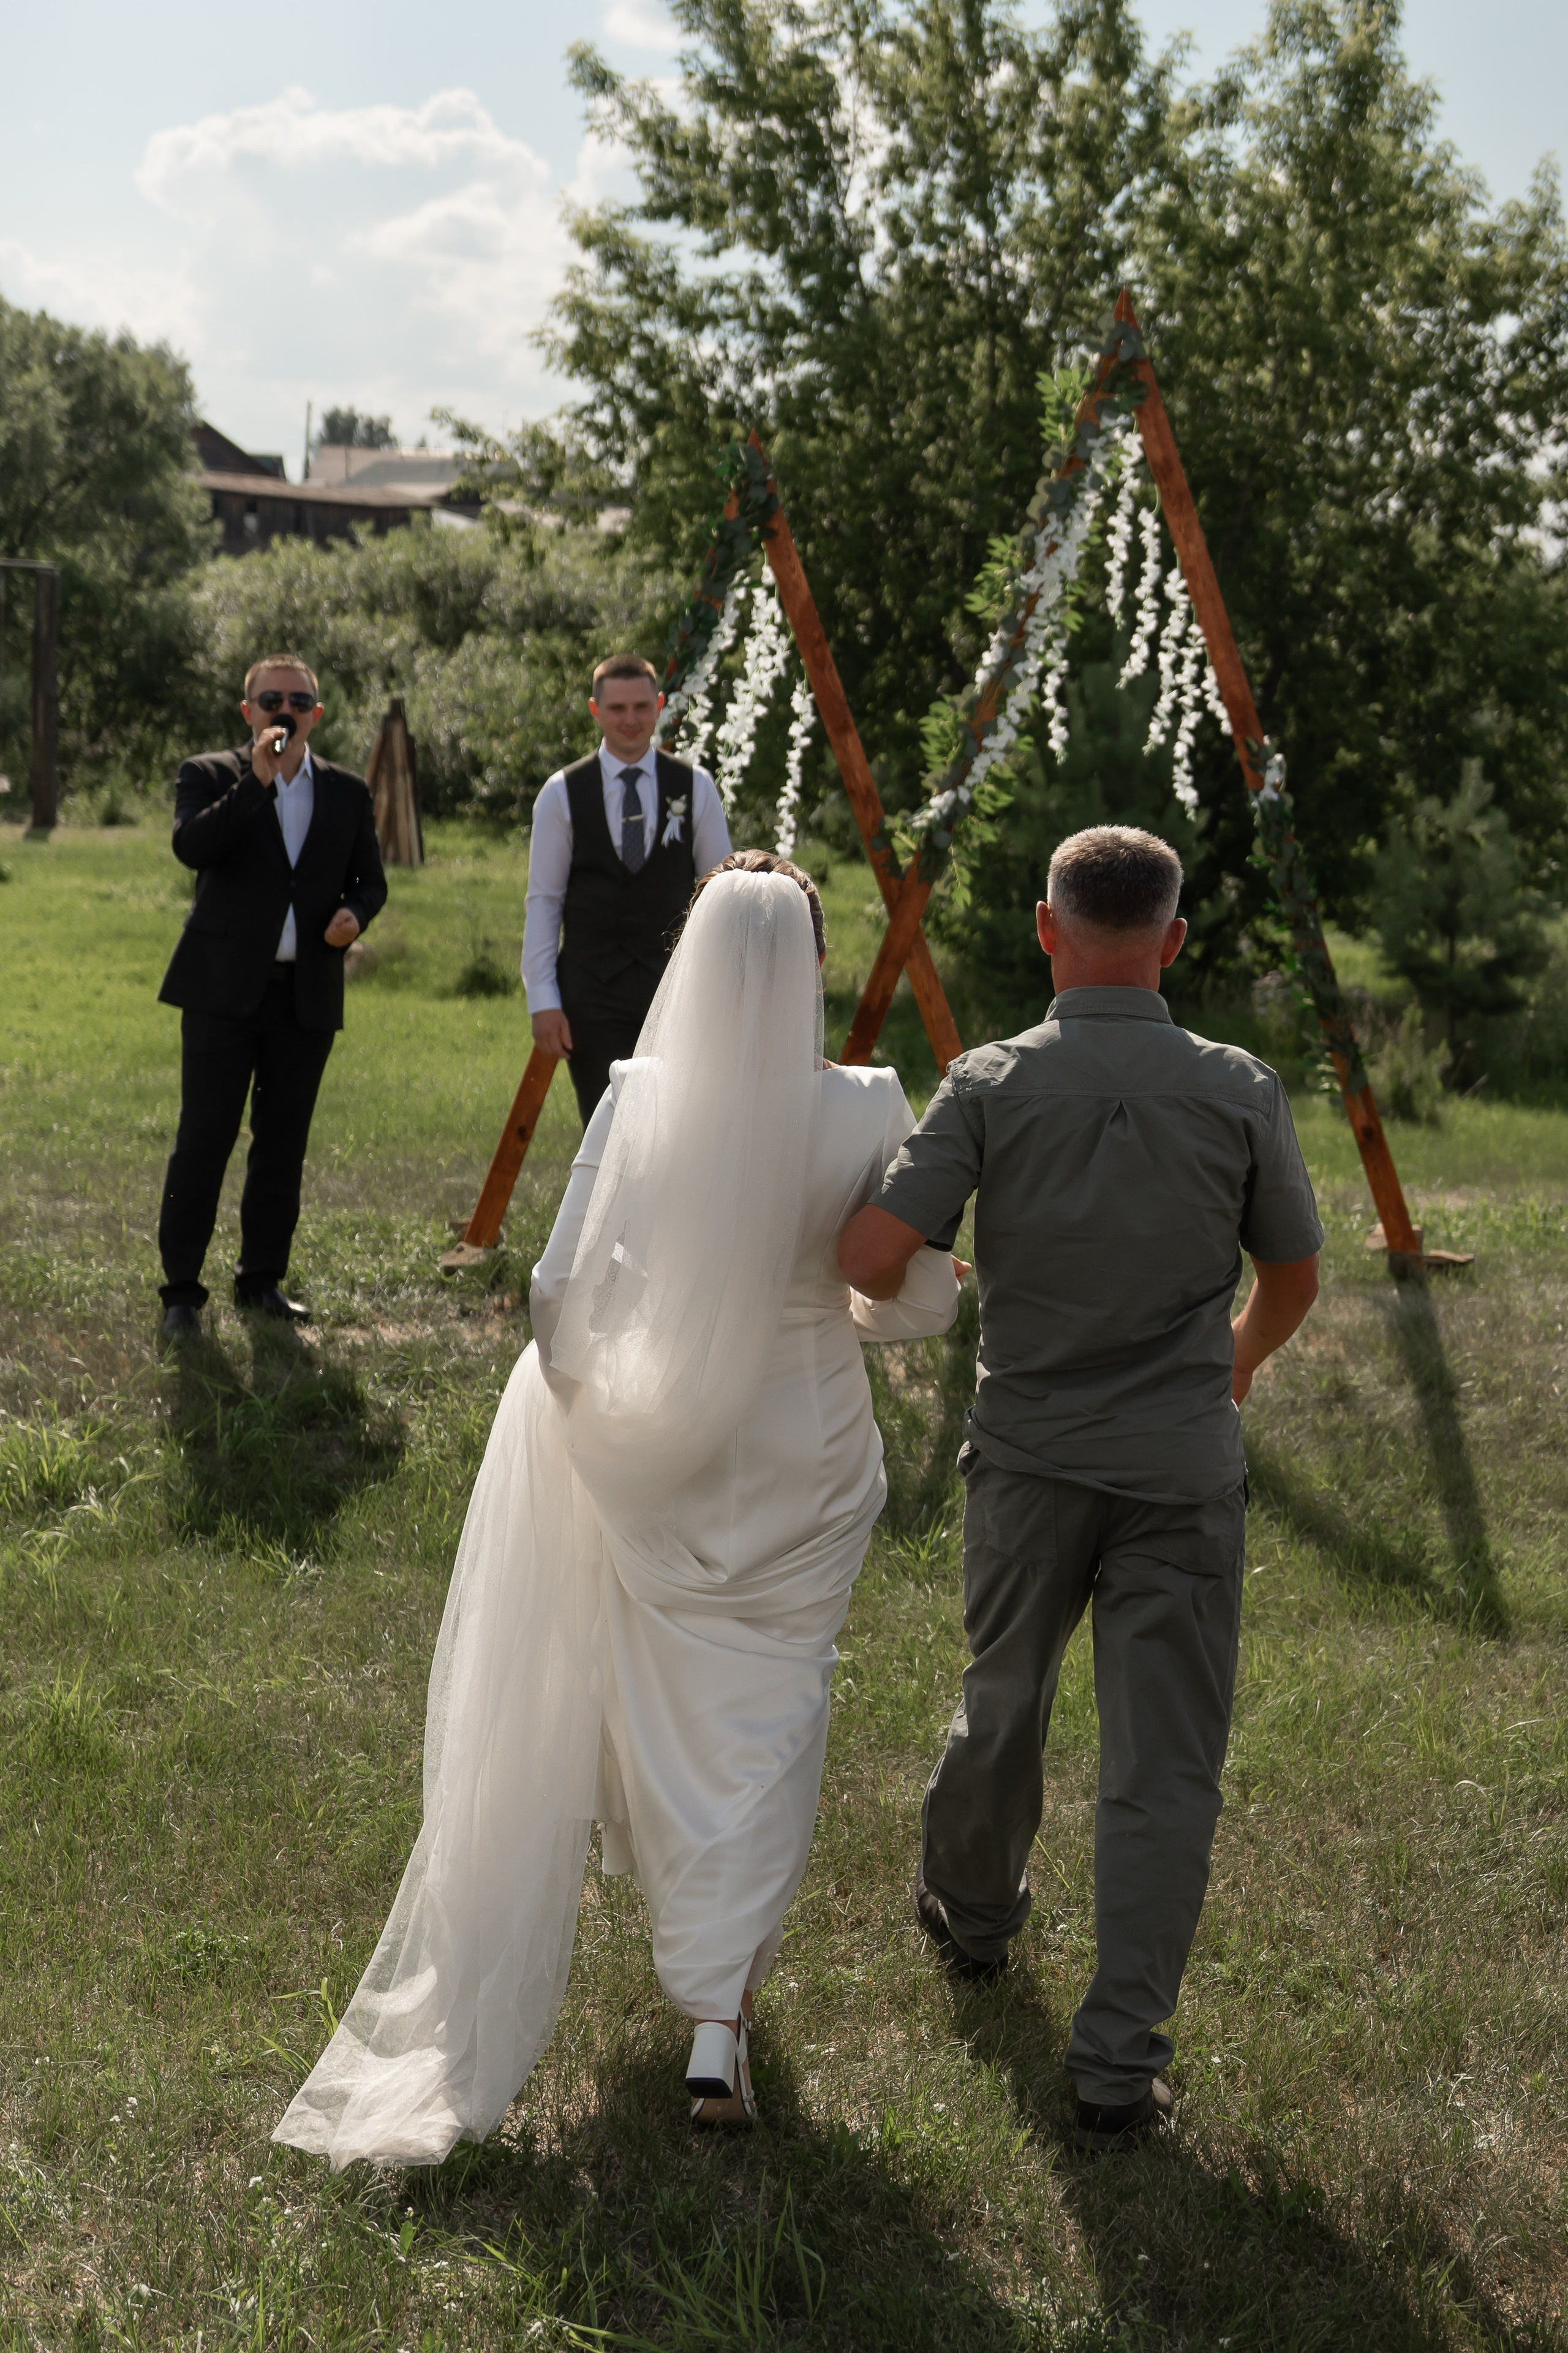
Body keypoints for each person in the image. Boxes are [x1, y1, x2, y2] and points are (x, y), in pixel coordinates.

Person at [274, 852, 960, 2166]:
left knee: (660, 1710)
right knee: (774, 1710)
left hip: (668, 1456)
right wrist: (902, 1293)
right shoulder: (871, 1102)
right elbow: (907, 1301)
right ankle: (717, 2013)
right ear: (814, 962)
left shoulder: (639, 1097)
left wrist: (604, 1416)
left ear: (690, 957)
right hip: (809, 1453)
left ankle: (699, 1968)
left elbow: (557, 1291)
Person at [838, 824, 1323, 2157]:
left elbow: (874, 1256)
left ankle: (972, 1918)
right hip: (1178, 1468)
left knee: (1000, 1699)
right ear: (1172, 942)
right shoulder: (1239, 1087)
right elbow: (1291, 1277)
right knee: (1162, 1770)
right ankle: (1116, 2069)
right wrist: (1229, 1366)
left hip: (1029, 1461)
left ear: (1045, 930)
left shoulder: (989, 1082)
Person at [155, 654, 386, 1342]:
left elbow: (369, 880)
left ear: (318, 713)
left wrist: (356, 915)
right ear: (247, 711)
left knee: (282, 1144)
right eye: (271, 700)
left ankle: (261, 1280)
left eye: (299, 701)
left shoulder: (346, 791)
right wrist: (257, 781)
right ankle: (181, 1292)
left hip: (304, 994)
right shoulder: (208, 775)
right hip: (222, 992)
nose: (284, 711)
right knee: (204, 1139)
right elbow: (192, 848)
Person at [522, 654, 732, 1125]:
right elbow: (544, 901)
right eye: (617, 709)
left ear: (659, 706)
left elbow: (722, 894)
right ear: (596, 711)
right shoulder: (561, 794)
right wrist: (543, 1000)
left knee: (679, 1125)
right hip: (591, 994)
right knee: (606, 1129)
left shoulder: (695, 786)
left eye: (641, 706)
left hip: (678, 988)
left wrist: (723, 987)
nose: (631, 720)